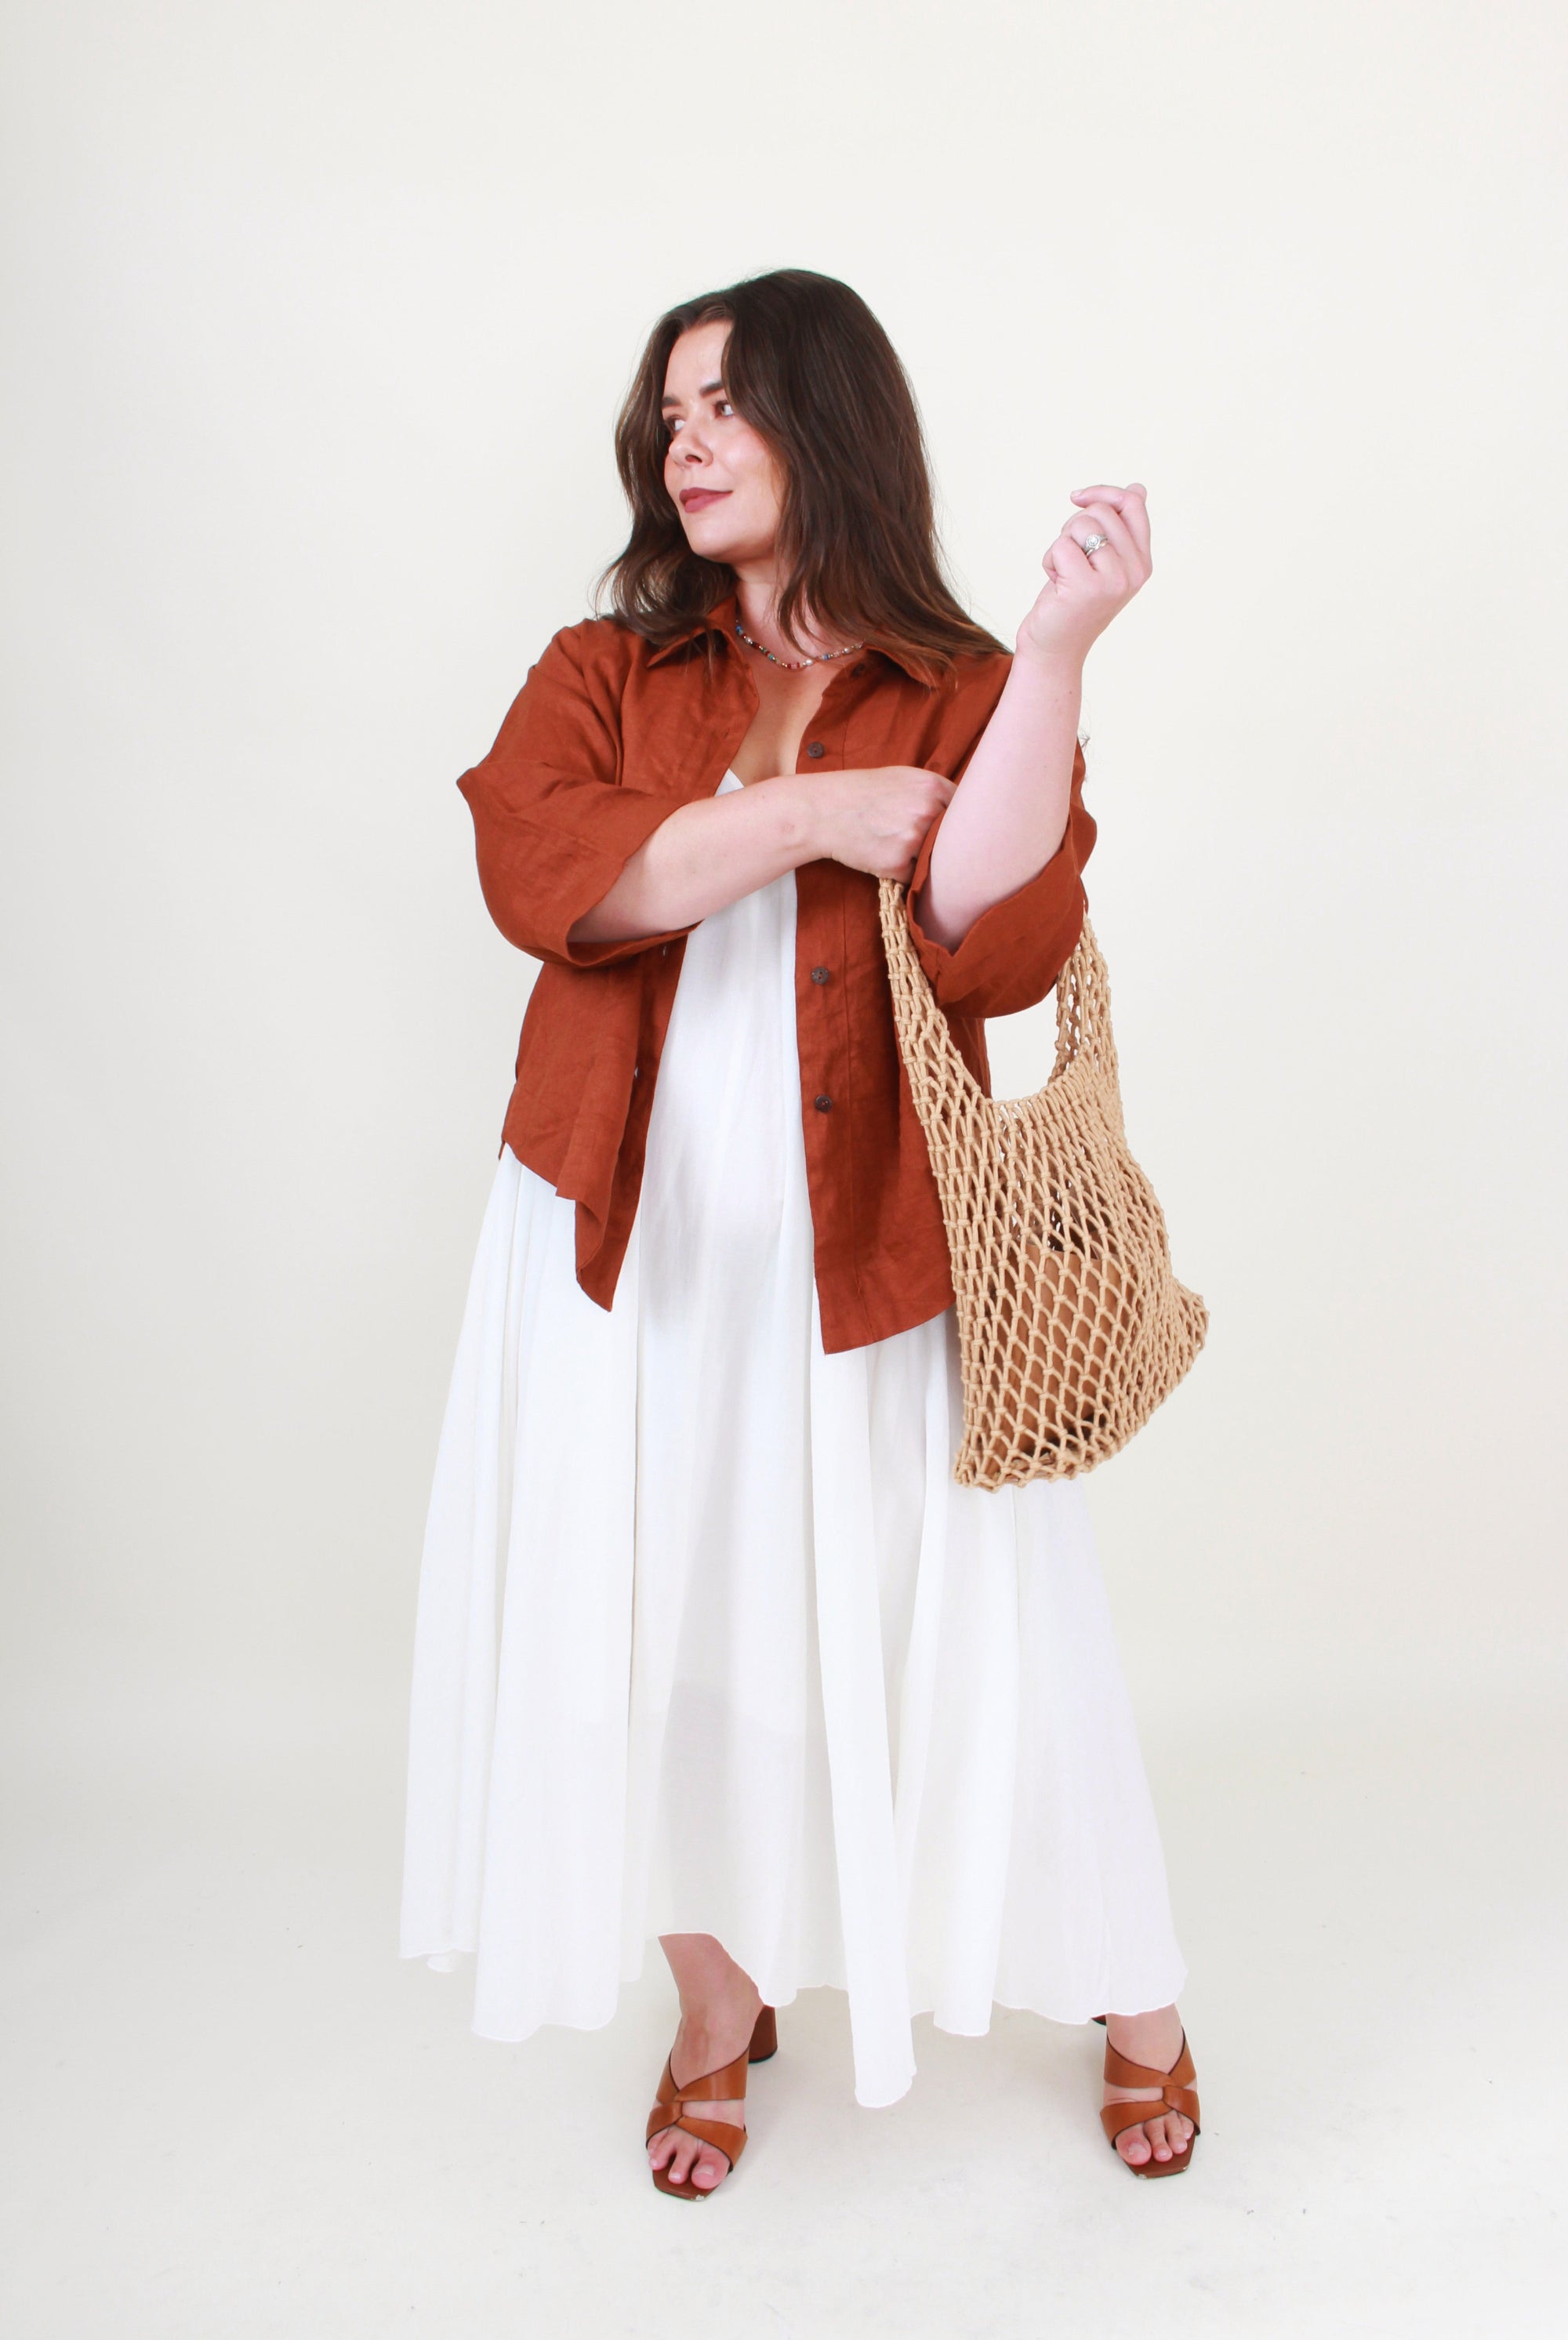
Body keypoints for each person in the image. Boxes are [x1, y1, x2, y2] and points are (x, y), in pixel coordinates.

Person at [401, 268, 1200, 2197]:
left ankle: (1138, 1993)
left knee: (988, 1630)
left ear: (826, 422)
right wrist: (811, 812)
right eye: (669, 411)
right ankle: (714, 1999)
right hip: (622, 1242)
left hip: (872, 1255)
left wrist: (1066, 646)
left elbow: (992, 933)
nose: (684, 440)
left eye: (728, 405)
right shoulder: (607, 668)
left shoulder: (960, 679)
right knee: (666, 1618)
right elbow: (551, 873)